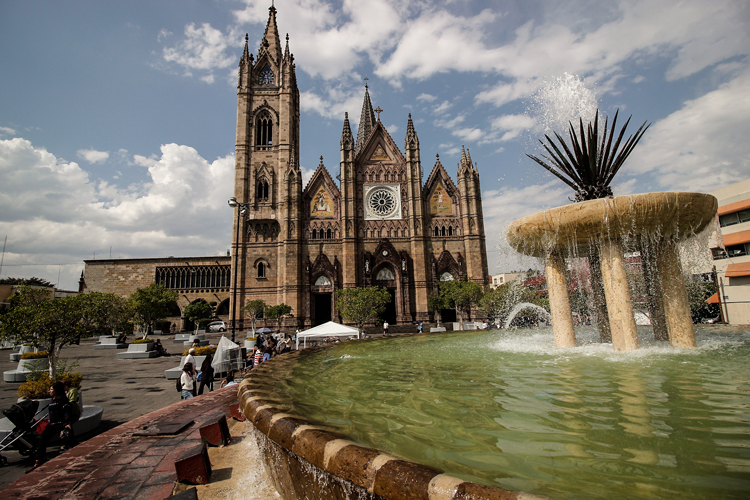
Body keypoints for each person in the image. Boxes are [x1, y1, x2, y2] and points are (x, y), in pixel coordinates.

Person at [30, 382, 75, 469]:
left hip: (61, 425)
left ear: (56, 390)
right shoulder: (53, 400)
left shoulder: (63, 400)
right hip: (52, 425)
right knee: (42, 442)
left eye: (51, 389)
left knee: (69, 442)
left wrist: (67, 423)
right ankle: (38, 461)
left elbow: (67, 412)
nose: (49, 391)